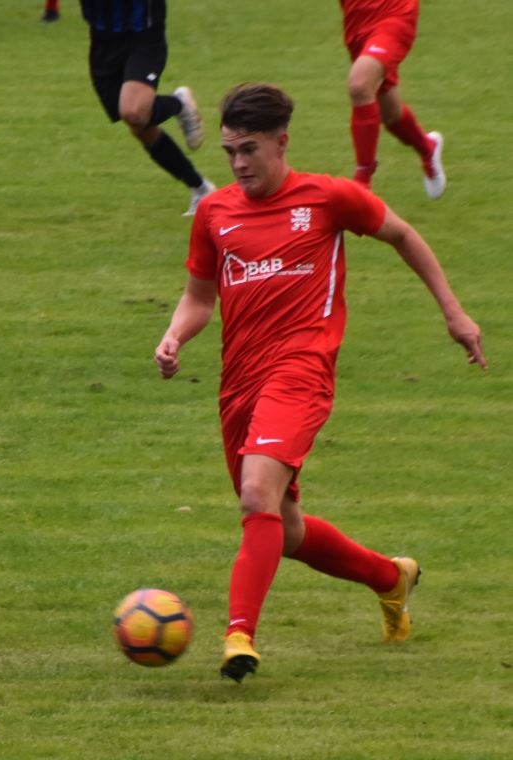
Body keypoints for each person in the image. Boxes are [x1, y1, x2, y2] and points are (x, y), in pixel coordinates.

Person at [154, 83, 486, 682]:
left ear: (281, 143)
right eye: (229, 152)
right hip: (239, 383)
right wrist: (175, 335)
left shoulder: (328, 198)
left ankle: (239, 638)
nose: (238, 164)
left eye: (249, 150)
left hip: (302, 370)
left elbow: (403, 234)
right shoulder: (215, 213)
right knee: (284, 530)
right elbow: (199, 298)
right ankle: (390, 577)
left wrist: (454, 313)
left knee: (256, 496)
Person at [80, 0, 215, 216]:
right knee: (140, 127)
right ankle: (201, 188)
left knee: (134, 111)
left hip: (143, 33)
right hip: (102, 41)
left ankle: (179, 104)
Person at [340, 0, 445, 198]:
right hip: (357, 23)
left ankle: (362, 184)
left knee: (360, 84)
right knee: (391, 115)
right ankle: (427, 148)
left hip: (394, 14)